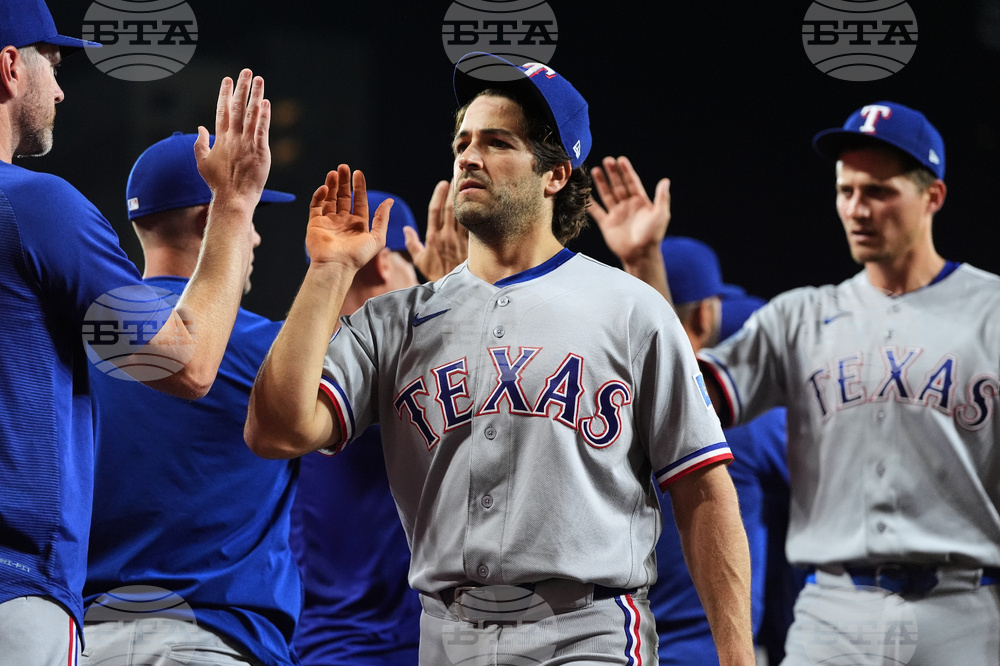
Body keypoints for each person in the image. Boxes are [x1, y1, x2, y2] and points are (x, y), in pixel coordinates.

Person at [244, 51, 755, 665]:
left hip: (585, 630)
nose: (468, 156)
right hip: (447, 634)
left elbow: (704, 490)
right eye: (462, 142)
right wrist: (328, 271)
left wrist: (738, 657)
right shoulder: (396, 319)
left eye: (497, 142)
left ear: (556, 173)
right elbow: (276, 431)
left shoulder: (632, 309)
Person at [0, 0, 273, 662]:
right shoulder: (33, 205)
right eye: (51, 65)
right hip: (14, 591)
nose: (59, 89)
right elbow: (186, 364)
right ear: (9, 67)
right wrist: (234, 205)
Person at [80, 132, 300, 666]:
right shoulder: (263, 345)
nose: (255, 238)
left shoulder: (77, 341)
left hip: (84, 641)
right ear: (211, 219)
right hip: (208, 639)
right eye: (250, 217)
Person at [290, 184, 467, 665]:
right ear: (388, 263)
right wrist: (457, 293)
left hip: (323, 645)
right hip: (423, 642)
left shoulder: (295, 364)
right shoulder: (410, 359)